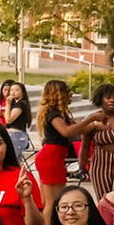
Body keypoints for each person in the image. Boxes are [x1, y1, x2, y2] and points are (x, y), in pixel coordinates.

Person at [35, 79, 100, 217]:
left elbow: (79, 129)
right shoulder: (53, 114)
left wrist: (95, 125)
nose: (70, 95)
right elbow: (67, 131)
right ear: (58, 94)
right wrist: (90, 119)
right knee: (54, 202)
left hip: (52, 157)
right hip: (51, 158)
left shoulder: (61, 113)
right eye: (67, 92)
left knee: (49, 201)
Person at [0, 79, 32, 159]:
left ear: (22, 92)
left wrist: (8, 104)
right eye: (11, 90)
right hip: (11, 134)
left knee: (9, 159)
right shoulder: (15, 104)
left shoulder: (21, 104)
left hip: (16, 135)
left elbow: (8, 120)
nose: (13, 92)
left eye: (17, 90)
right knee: (16, 162)